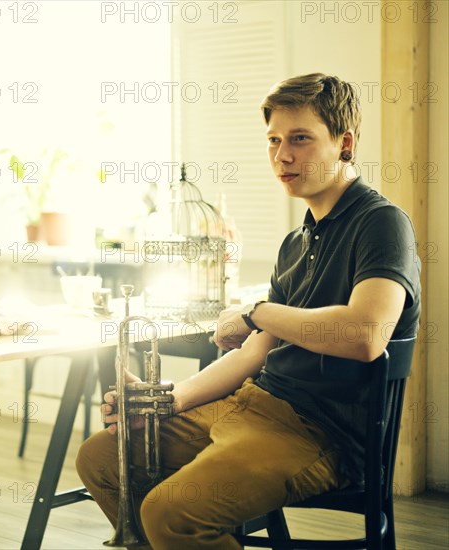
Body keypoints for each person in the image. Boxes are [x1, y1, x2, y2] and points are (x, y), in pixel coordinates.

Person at [76, 73, 421, 549]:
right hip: (252, 404)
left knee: (169, 513)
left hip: (320, 433)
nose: (282, 155)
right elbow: (251, 356)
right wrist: (166, 399)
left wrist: (258, 311)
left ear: (345, 144)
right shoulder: (296, 243)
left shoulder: (382, 223)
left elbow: (365, 335)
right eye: (275, 140)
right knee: (100, 457)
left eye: (300, 139)